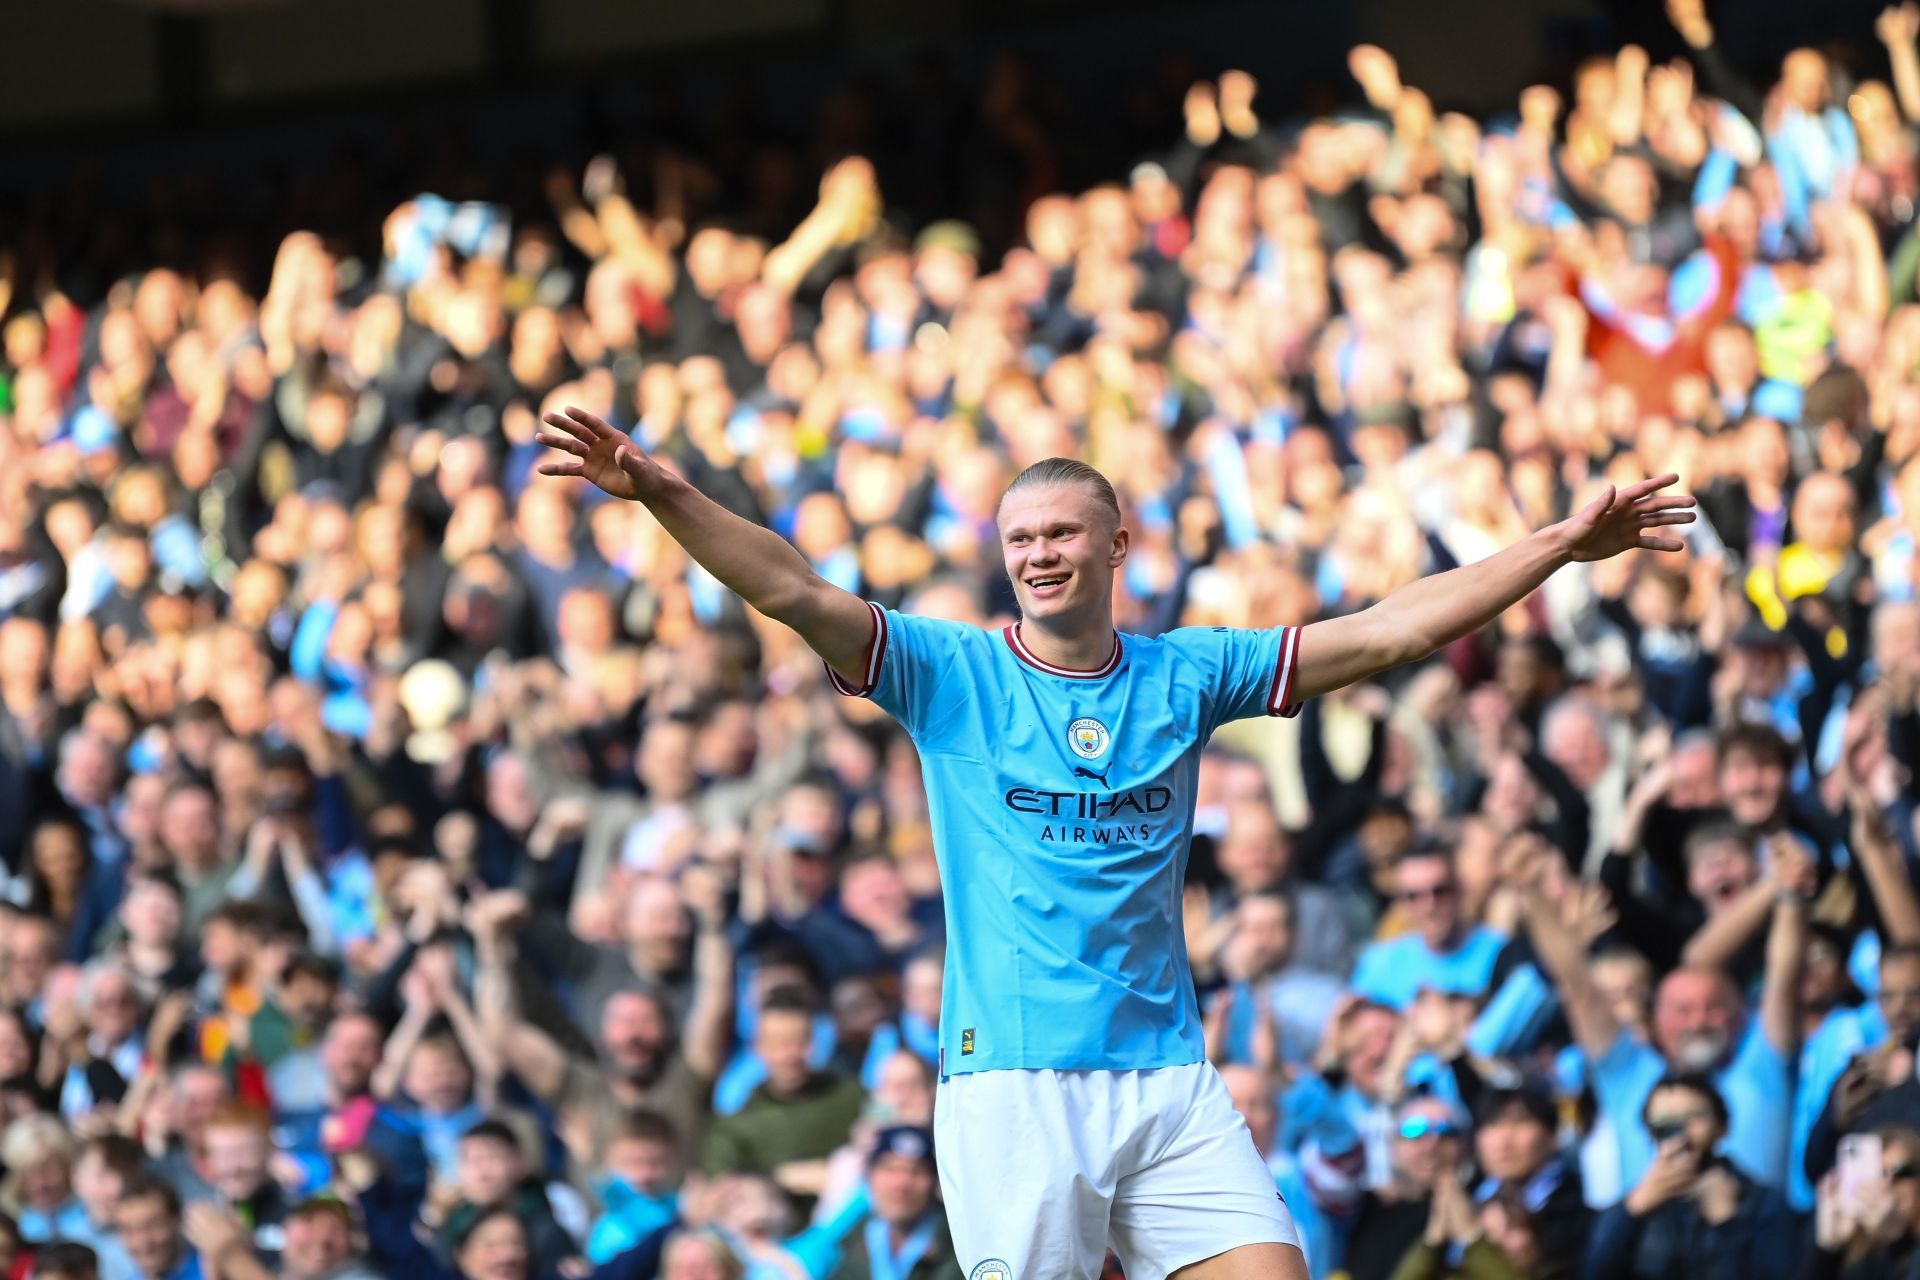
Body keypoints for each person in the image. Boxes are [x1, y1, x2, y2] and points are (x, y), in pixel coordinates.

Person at [537, 392, 1692, 1277]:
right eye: (1020, 537)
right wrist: (660, 493)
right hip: (1015, 1086)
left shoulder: (1188, 672)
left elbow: (1385, 632)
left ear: (1117, 544)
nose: (1038, 554)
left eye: (1060, 532)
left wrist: (1555, 546)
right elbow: (791, 588)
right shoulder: (954, 675)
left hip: (1168, 1078)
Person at [1583, 1075, 1799, 1280]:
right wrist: (1633, 1211)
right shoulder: (1633, 1208)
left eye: (1693, 1117)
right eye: (1663, 1122)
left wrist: (1726, 1226)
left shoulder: (1763, 1204)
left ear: (1722, 1127)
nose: (1679, 1134)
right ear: (1649, 1134)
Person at [825, 1126, 962, 1280]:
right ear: (869, 1176)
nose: (900, 1184)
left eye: (916, 1171)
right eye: (890, 1169)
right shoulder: (853, 1239)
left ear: (934, 1182)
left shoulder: (961, 1245)